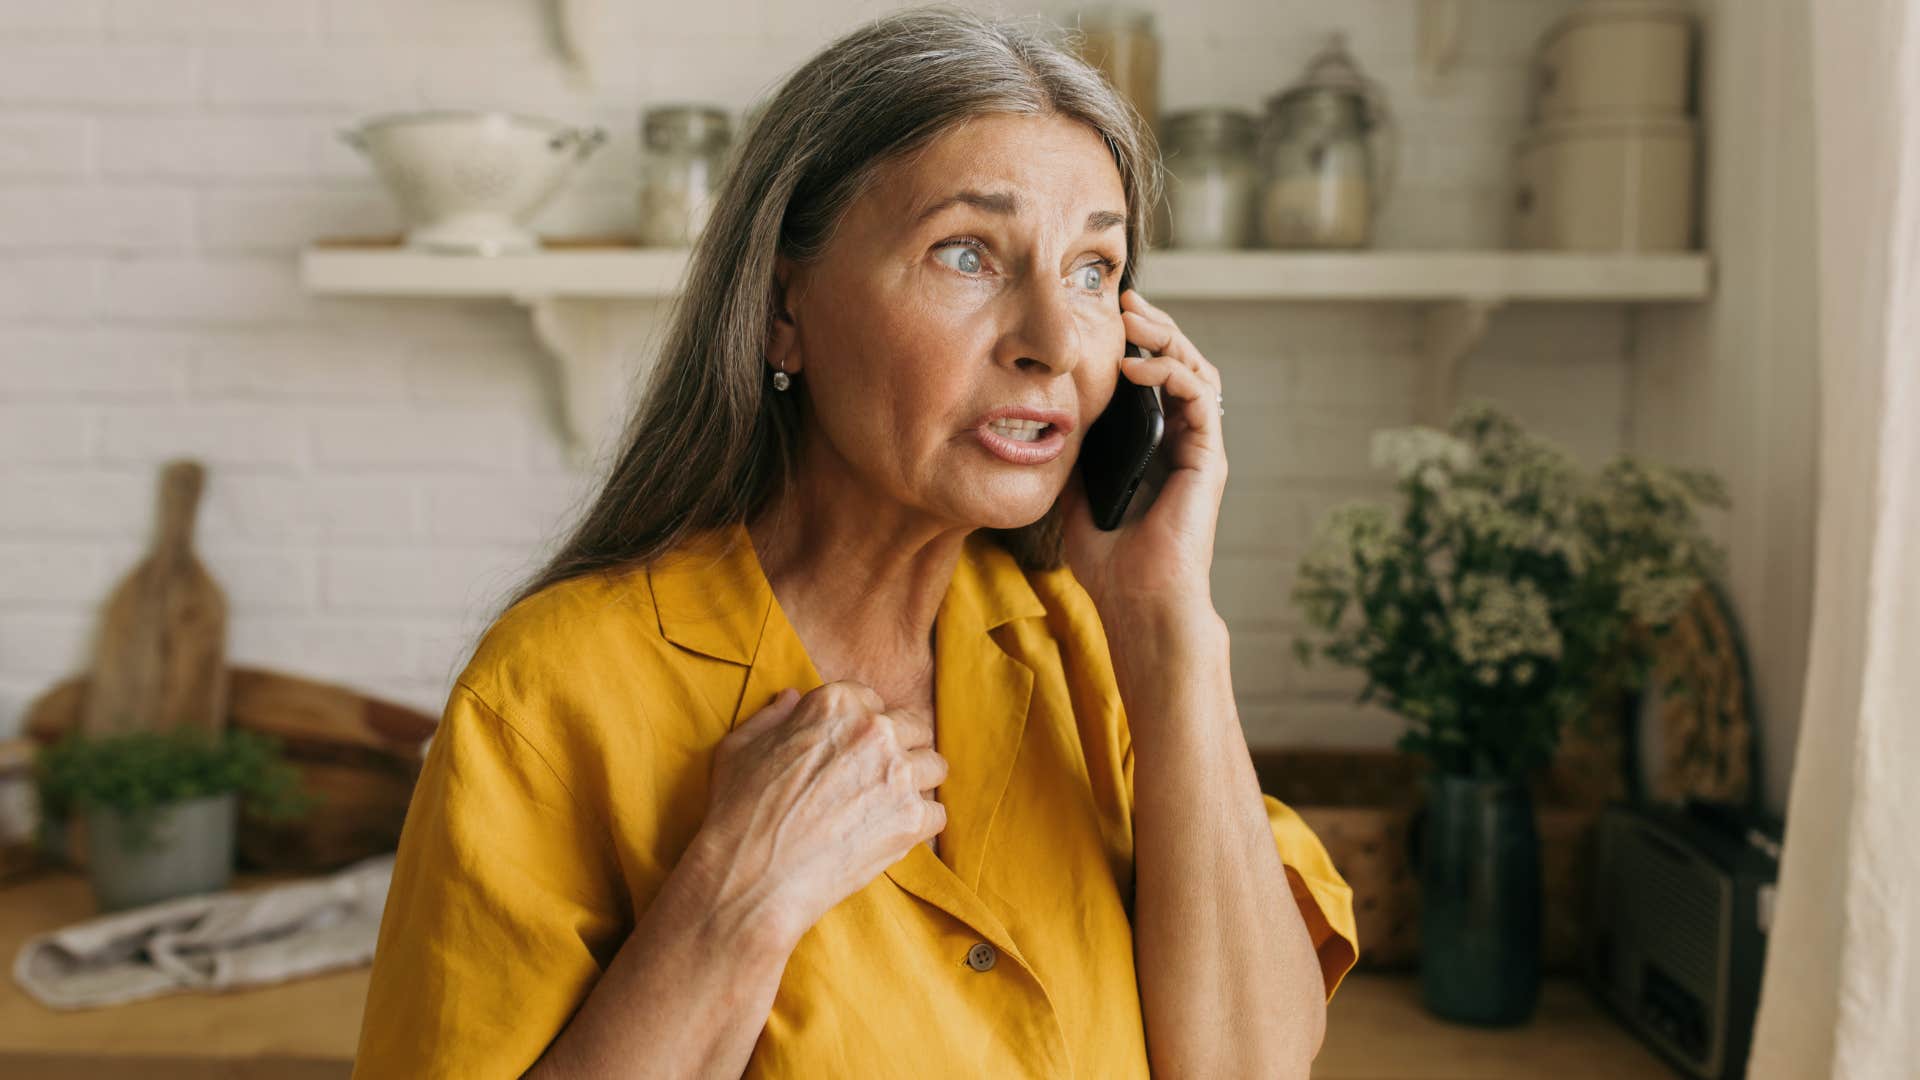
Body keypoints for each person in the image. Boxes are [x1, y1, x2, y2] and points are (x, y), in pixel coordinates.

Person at [351, 7, 1358, 1077]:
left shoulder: (1099, 655)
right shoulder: (554, 695)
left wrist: (1168, 630)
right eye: (968, 254)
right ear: (785, 305)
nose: (1056, 343)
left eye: (1094, 270)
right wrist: (736, 898)